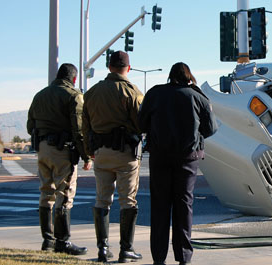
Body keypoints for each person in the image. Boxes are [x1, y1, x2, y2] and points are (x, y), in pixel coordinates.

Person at [138, 62, 217, 265]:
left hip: (160, 157)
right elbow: (210, 128)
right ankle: (183, 257)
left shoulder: (155, 94)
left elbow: (141, 123)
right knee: (184, 206)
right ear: (189, 77)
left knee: (160, 206)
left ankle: (159, 258)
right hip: (187, 159)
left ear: (170, 76)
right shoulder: (197, 96)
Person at [82, 51, 144, 263]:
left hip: (101, 153)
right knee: (128, 201)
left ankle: (102, 248)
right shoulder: (132, 92)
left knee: (102, 200)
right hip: (125, 153)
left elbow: (85, 127)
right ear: (128, 68)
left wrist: (89, 151)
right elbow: (140, 123)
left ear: (109, 67)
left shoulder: (92, 93)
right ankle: (125, 249)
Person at [27, 63, 92, 255]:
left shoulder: (40, 95)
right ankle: (63, 242)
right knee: (64, 195)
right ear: (73, 79)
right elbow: (79, 129)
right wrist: (86, 155)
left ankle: (48, 240)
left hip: (43, 148)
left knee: (46, 193)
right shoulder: (73, 95)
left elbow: (30, 125)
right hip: (63, 150)